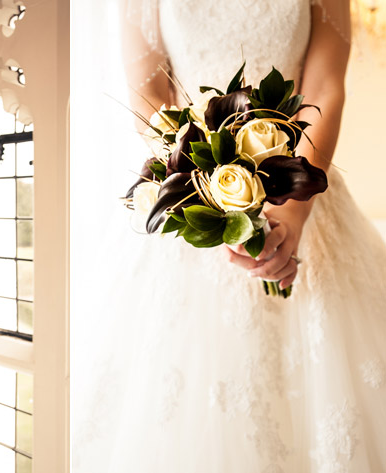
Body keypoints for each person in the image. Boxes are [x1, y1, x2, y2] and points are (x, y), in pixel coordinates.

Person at [72, 0, 386, 471]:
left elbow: (325, 87)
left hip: (305, 186)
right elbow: (149, 94)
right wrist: (214, 195)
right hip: (193, 190)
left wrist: (294, 213)